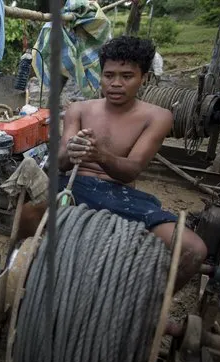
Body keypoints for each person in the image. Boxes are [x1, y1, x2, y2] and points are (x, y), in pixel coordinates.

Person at [58, 35, 207, 291]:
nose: (116, 83)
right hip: (71, 189)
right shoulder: (79, 110)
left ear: (144, 78)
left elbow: (131, 171)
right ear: (101, 75)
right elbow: (60, 165)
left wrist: (100, 155)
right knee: (25, 215)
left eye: (127, 76)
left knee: (194, 250)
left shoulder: (158, 117)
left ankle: (141, 310)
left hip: (119, 195)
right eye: (109, 75)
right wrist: (71, 151)